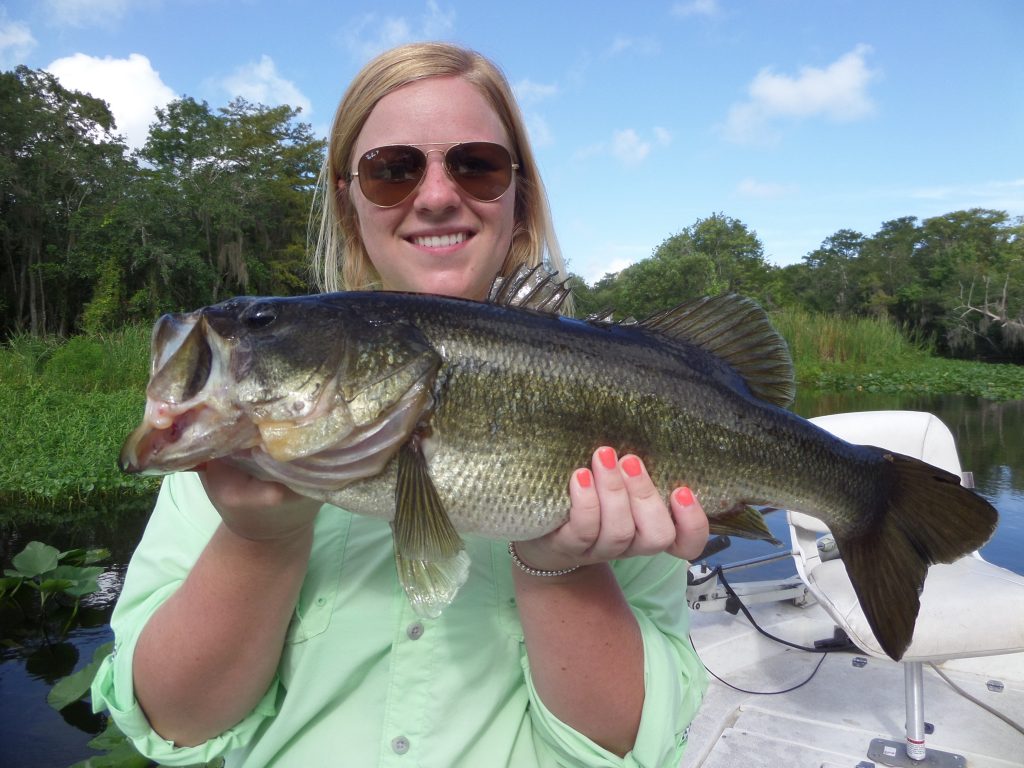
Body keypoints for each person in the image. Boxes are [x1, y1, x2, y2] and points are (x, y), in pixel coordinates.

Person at [92, 42, 710, 767]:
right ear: (351, 208)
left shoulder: (620, 407)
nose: (438, 194)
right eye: (393, 171)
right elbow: (177, 724)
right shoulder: (226, 467)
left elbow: (625, 745)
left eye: (476, 164)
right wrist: (260, 540)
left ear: (520, 200)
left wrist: (560, 564)